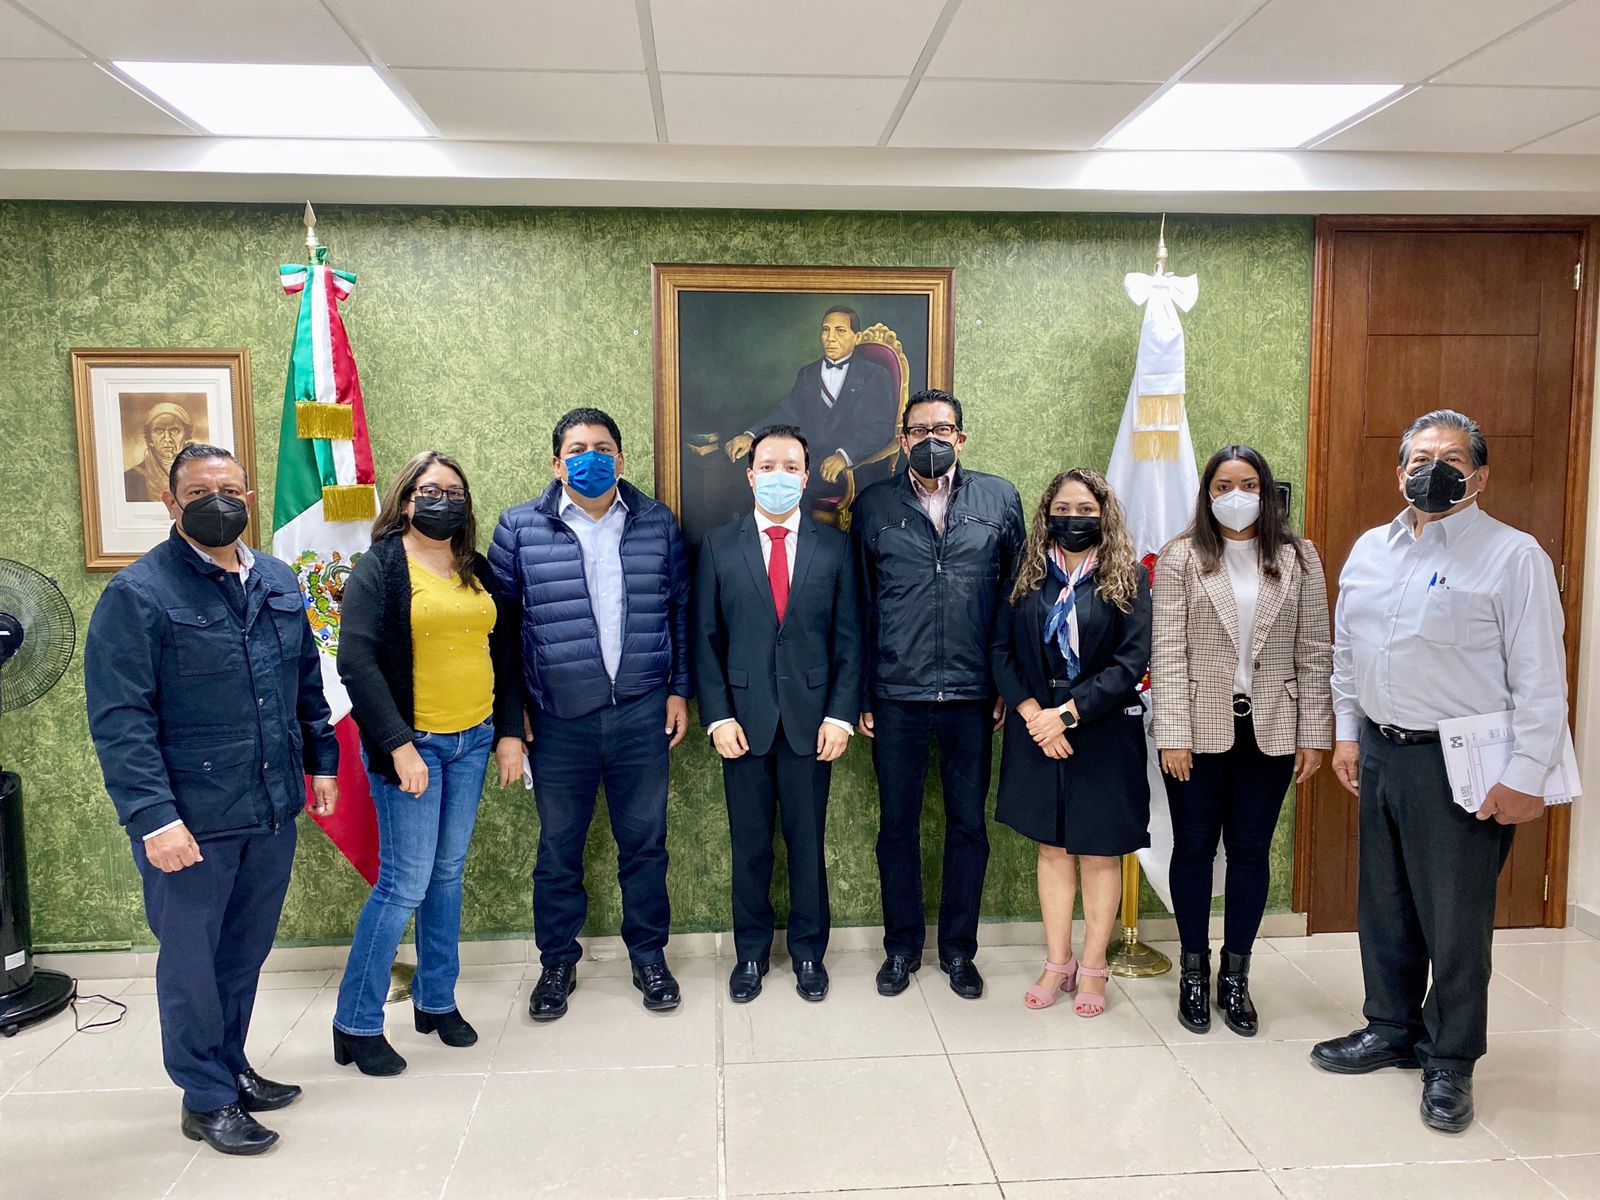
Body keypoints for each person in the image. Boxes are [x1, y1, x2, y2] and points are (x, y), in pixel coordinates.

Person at [1311, 409, 1566, 1135]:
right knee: (1384, 903)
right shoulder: (1370, 549)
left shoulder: (1513, 556)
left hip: (1464, 762)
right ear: (1400, 473)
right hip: (1381, 751)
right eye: (1420, 459)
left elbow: (1541, 677)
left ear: (1479, 477)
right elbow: (1348, 655)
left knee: (1455, 921)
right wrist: (1348, 735)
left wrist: (1528, 773)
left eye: (1452, 458)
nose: (1434, 470)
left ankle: (1450, 1058)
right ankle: (1391, 1026)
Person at [85, 443, 338, 1155]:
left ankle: (230, 1065)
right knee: (192, 963)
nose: (217, 501)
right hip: (191, 820)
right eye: (198, 492)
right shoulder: (139, 593)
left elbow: (305, 683)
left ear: (249, 499)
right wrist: (154, 819)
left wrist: (321, 763)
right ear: (170, 503)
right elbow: (121, 720)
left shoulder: (278, 580)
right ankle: (205, 1097)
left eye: (229, 489)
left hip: (270, 805)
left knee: (243, 952)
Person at [490, 407, 692, 1019]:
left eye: (602, 448)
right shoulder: (519, 528)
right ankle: (557, 962)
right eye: (577, 449)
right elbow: (499, 634)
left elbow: (679, 611)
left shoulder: (656, 522)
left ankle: (649, 957)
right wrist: (510, 720)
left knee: (645, 844)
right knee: (559, 847)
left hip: (641, 711)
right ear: (557, 463)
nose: (590, 458)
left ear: (621, 459)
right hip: (558, 718)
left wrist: (679, 690)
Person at [330, 451, 525, 1075]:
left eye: (455, 491)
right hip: (414, 748)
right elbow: (356, 664)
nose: (445, 500)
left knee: (446, 876)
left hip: (473, 740)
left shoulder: (476, 567)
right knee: (403, 884)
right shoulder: (380, 568)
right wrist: (398, 745)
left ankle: (436, 1000)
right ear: (406, 500)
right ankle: (355, 1022)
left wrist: (509, 733)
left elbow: (506, 653)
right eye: (431, 490)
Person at [1152, 445, 1332, 1036]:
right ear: (1208, 494)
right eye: (1224, 485)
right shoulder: (1182, 556)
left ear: (1266, 490)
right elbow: (1167, 653)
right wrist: (1172, 734)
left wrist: (1315, 733)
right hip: (1196, 730)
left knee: (1251, 853)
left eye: (1248, 484)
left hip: (1273, 729)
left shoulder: (1299, 557)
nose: (1237, 495)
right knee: (1193, 849)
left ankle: (1236, 975)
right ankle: (1194, 971)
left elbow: (1314, 649)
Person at [853, 389, 1026, 1000]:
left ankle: (958, 951)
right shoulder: (874, 504)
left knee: (967, 825)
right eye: (920, 429)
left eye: (943, 429)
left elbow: (1014, 599)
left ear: (961, 437)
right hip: (895, 692)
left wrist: (1005, 684)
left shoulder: (999, 499)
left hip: (973, 694)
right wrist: (863, 692)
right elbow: (860, 606)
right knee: (896, 827)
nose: (932, 438)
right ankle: (900, 948)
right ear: (903, 440)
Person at [694, 425, 863, 1003]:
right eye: (767, 466)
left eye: (791, 467)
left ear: (806, 476)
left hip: (812, 724)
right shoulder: (719, 546)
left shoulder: (835, 547)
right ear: (750, 475)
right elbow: (706, 639)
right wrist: (718, 717)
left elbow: (850, 640)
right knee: (750, 845)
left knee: (806, 843)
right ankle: (750, 954)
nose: (778, 476)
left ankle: (809, 953)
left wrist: (840, 717)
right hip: (741, 724)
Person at [993, 468, 1152, 1016]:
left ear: (1104, 514)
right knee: (1053, 848)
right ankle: (1057, 961)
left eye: (1086, 509)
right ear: (1047, 514)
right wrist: (1034, 714)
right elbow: (999, 650)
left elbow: (1132, 661)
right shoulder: (1027, 571)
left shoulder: (1128, 575)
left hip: (1101, 728)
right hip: (1036, 726)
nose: (1074, 518)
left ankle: (1094, 966)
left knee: (1100, 852)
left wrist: (1068, 714)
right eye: (1063, 509)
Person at [723, 305, 897, 506]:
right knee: (750, 479)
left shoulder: (875, 375)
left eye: (840, 331)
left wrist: (844, 456)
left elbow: (880, 428)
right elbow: (786, 413)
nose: (830, 338)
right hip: (808, 462)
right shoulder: (808, 374)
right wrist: (751, 435)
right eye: (826, 330)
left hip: (852, 470)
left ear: (856, 338)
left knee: (788, 489)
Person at [124, 401, 194, 502]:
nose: (167, 438)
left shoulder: (200, 473)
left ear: (186, 435)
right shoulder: (131, 478)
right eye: (159, 431)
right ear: (150, 438)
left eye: (174, 430)